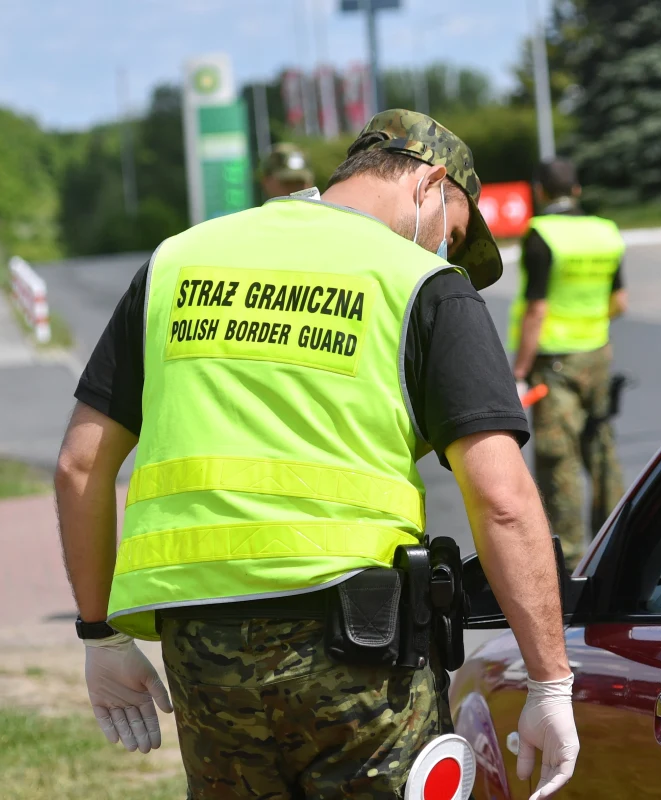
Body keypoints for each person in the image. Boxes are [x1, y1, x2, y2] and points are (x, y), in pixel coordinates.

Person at [54, 109, 579, 799]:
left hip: (204, 651)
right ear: (431, 182)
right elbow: (503, 501)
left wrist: (102, 636)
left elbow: (80, 465)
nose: (445, 255)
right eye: (451, 234)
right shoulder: (419, 282)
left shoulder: (176, 261)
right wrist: (549, 682)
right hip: (360, 654)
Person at [510, 158, 628, 567]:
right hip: (597, 354)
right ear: (576, 190)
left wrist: (520, 369)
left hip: (555, 361)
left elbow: (536, 309)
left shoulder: (540, 235)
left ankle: (569, 557)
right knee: (601, 447)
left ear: (540, 191)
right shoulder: (605, 232)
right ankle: (616, 541)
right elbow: (620, 303)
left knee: (559, 458)